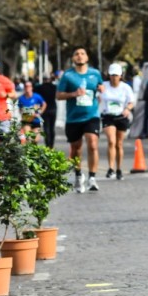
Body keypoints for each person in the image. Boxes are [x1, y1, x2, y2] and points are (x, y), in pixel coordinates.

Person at [56, 46, 104, 193]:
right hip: (73, 118)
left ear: (87, 57)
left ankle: (92, 178)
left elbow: (100, 86)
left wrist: (101, 90)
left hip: (91, 115)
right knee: (76, 149)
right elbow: (58, 95)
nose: (80, 56)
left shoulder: (95, 73)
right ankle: (78, 175)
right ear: (73, 58)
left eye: (82, 53)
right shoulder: (68, 76)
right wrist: (74, 94)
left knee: (93, 143)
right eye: (76, 54)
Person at [100, 63, 135, 180]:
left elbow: (131, 102)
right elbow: (97, 96)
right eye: (112, 75)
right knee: (111, 141)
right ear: (109, 75)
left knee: (119, 144)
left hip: (121, 117)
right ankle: (110, 168)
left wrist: (127, 109)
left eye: (116, 75)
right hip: (108, 116)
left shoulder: (126, 87)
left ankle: (119, 169)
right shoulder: (103, 86)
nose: (114, 77)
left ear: (120, 76)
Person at [35, 74, 58, 148]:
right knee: (52, 128)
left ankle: (47, 145)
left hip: (44, 109)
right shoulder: (54, 87)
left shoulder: (39, 88)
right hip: (53, 109)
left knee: (46, 128)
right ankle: (51, 145)